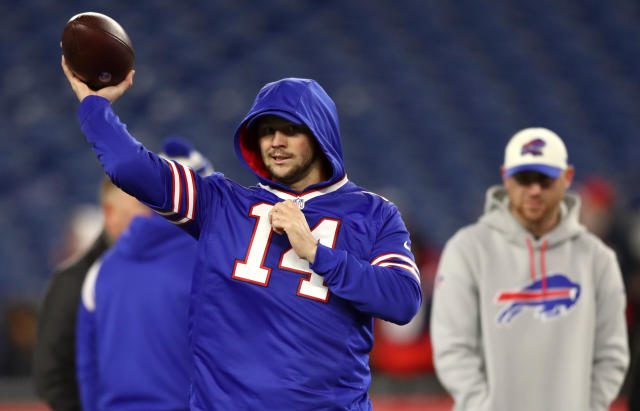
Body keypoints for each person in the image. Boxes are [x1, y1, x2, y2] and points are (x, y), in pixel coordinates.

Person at [61, 58, 422, 410]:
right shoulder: (221, 203)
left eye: (290, 129)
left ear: (320, 132)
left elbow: (402, 301)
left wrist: (316, 252)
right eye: (266, 130)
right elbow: (130, 166)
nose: (276, 142)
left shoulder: (374, 213)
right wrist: (95, 106)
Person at [430, 127, 629, 411]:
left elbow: (611, 353)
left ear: (567, 178)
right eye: (524, 179)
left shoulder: (597, 258)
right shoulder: (467, 250)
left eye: (545, 180)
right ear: (505, 177)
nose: (534, 190)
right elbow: (453, 348)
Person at [33, 136, 212, 411]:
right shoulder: (78, 278)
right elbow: (57, 373)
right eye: (139, 208)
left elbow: (86, 368)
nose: (146, 216)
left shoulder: (101, 273)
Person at [33, 175, 151, 411]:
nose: (147, 223)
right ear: (109, 214)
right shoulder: (74, 281)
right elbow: (52, 373)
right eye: (134, 215)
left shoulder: (161, 272)